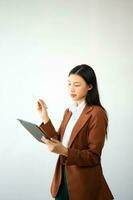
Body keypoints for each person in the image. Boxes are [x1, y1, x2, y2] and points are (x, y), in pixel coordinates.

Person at [37, 64, 114, 200]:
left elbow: (93, 156)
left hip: (84, 183)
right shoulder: (69, 111)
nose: (71, 89)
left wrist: (65, 151)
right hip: (62, 177)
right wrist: (44, 116)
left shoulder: (97, 113)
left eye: (77, 85)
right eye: (69, 84)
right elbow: (58, 140)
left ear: (90, 86)